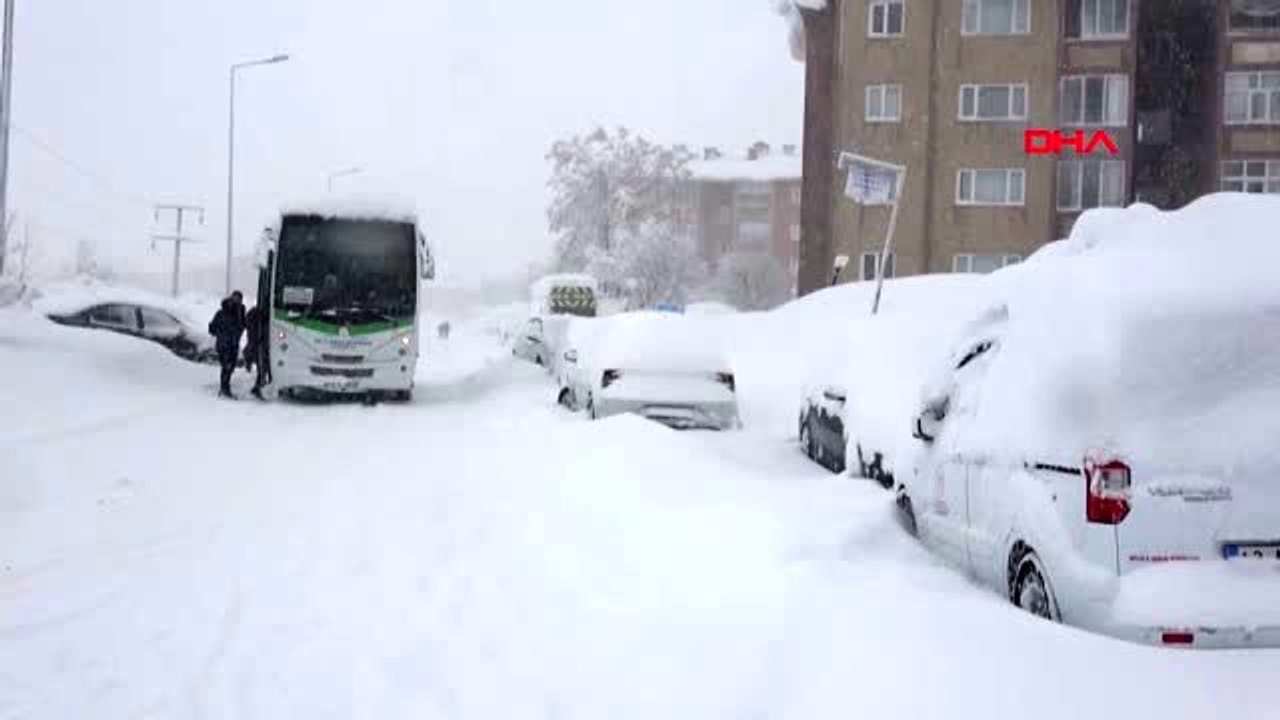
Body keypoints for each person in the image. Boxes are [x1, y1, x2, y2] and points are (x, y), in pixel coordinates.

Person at [208, 293, 247, 399]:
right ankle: (224, 389)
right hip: (224, 344)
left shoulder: (239, 312)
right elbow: (212, 329)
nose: (236, 301)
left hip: (233, 344)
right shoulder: (222, 313)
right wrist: (222, 333)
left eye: (239, 299)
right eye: (235, 298)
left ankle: (225, 388)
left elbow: (243, 326)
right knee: (227, 366)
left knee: (230, 367)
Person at [243, 302, 266, 399]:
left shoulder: (254, 313)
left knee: (262, 368)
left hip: (257, 342)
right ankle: (258, 387)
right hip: (257, 343)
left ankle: (258, 386)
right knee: (262, 367)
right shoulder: (255, 313)